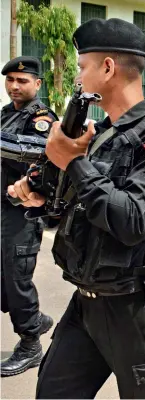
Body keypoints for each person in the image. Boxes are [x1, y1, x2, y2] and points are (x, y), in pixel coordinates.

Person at [8, 18, 145, 398]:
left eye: (82, 67)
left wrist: (72, 161)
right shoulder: (102, 136)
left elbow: (131, 220)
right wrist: (42, 199)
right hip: (86, 304)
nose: (77, 77)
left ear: (107, 68)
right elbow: (82, 210)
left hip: (137, 313)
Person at [1, 56, 56, 377]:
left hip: (24, 211)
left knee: (16, 277)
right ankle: (34, 320)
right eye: (10, 80)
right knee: (4, 278)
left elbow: (37, 150)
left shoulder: (41, 118)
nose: (14, 86)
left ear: (37, 84)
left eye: (22, 81)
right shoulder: (7, 114)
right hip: (3, 209)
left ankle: (30, 342)